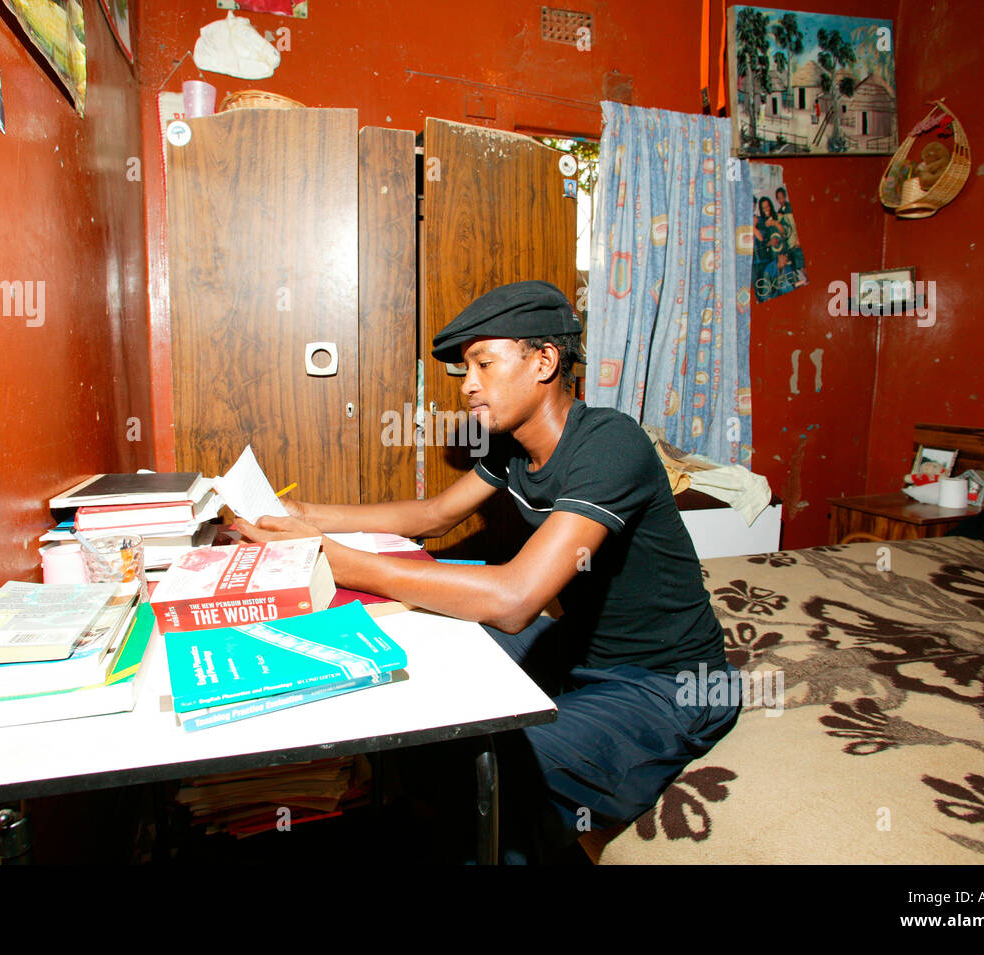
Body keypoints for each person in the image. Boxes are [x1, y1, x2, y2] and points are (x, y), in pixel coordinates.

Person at [233, 280, 741, 862]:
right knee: (420, 679)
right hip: (583, 650)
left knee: (498, 776)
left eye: (484, 362)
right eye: (464, 369)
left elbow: (516, 596)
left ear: (544, 361)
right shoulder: (512, 448)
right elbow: (433, 516)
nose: (469, 384)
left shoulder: (610, 442)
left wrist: (332, 555)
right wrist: (304, 513)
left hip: (666, 683)